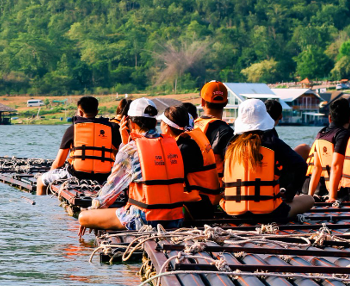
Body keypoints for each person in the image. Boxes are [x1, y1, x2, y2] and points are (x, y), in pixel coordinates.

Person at [78, 98, 188, 232]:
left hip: (145, 220)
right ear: (155, 122)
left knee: (84, 217)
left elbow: (111, 190)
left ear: (130, 122)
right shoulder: (171, 144)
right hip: (174, 218)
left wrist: (92, 211)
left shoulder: (131, 149)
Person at [221, 99, 313, 223]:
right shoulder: (272, 141)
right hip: (270, 214)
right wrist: (290, 192)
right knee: (309, 200)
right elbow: (300, 165)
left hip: (234, 214)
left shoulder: (231, 145)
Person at [36, 96, 121, 195]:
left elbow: (59, 162)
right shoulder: (111, 129)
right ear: (97, 112)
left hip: (76, 175)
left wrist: (50, 173)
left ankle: (41, 207)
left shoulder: (72, 129)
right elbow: (119, 155)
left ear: (80, 112)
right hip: (103, 177)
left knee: (40, 180)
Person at [159, 105, 221, 220]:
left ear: (166, 127)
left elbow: (167, 179)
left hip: (197, 206)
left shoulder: (184, 149)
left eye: (161, 123)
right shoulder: (191, 142)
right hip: (205, 202)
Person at [305, 99, 350, 199]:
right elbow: (336, 166)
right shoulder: (344, 134)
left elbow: (317, 168)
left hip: (330, 188)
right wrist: (332, 197)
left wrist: (309, 197)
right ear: (349, 118)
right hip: (344, 190)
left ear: (330, 118)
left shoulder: (320, 134)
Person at [195, 81, 234, 179]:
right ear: (226, 103)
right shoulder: (226, 131)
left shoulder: (190, 126)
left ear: (202, 102)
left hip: (192, 190)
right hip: (216, 190)